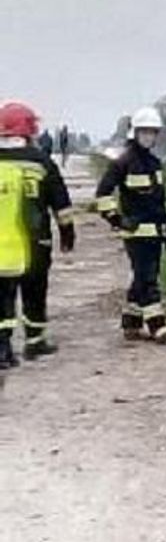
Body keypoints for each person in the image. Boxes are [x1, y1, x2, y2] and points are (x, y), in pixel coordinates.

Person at [0, 102, 75, 369]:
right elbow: (61, 204)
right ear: (30, 130)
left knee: (3, 294)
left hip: (1, 242)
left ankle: (3, 346)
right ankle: (34, 341)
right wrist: (67, 235)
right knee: (35, 291)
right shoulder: (41, 161)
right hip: (35, 241)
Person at [95, 106, 166, 344]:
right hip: (135, 233)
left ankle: (131, 323)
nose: (149, 137)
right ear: (135, 133)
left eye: (153, 132)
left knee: (142, 277)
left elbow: (161, 201)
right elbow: (103, 194)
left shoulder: (154, 163)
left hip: (156, 231)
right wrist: (116, 219)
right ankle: (157, 326)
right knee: (148, 278)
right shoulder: (123, 162)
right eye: (145, 132)